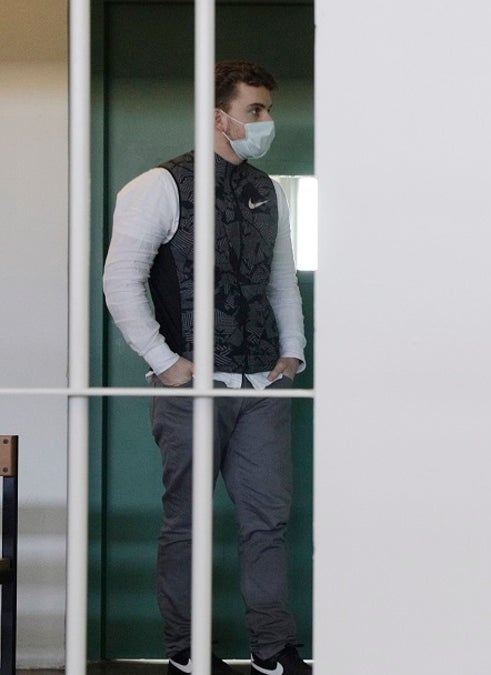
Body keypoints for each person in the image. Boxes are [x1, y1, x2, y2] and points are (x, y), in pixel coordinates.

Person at [103, 60, 312, 675]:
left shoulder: (266, 190)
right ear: (219, 117)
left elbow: (281, 279)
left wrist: (292, 351)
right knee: (186, 525)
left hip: (263, 388)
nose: (266, 121)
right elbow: (121, 280)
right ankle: (185, 652)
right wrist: (164, 363)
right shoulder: (157, 187)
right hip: (191, 390)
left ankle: (273, 650)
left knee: (268, 523)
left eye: (268, 109)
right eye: (255, 110)